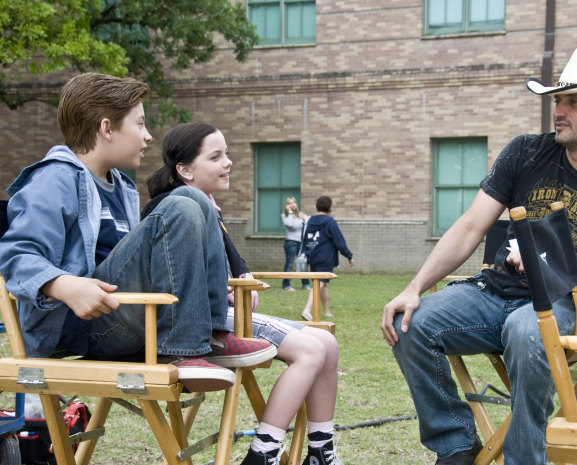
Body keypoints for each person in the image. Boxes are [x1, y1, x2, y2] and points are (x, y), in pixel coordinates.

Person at [380, 49, 577, 465]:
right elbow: (470, 226)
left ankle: (524, 459)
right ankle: (456, 445)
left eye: (574, 101)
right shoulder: (526, 152)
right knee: (410, 324)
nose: (559, 111)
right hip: (493, 290)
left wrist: (541, 259)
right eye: (557, 100)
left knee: (526, 332)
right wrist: (413, 288)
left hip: (567, 301)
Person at [0, 73, 276, 394]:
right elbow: (16, 256)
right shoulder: (56, 178)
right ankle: (182, 349)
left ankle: (211, 335)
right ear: (106, 129)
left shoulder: (122, 187)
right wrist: (64, 285)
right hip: (79, 325)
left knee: (194, 199)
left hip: (127, 314)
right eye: (140, 124)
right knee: (182, 202)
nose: (148, 136)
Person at [142, 122, 342, 465]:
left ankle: (321, 452)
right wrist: (227, 290)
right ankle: (262, 453)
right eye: (216, 156)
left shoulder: (206, 208)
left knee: (328, 344)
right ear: (185, 169)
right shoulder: (174, 209)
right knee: (311, 350)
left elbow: (227, 260)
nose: (229, 162)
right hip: (195, 326)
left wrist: (238, 281)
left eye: (227, 154)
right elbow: (174, 276)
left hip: (224, 314)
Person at [300, 196, 354, 321]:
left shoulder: (308, 221)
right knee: (320, 283)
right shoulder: (330, 222)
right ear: (329, 208)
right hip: (325, 258)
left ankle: (327, 311)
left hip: (312, 256)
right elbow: (339, 241)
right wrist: (349, 256)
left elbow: (304, 239)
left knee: (322, 284)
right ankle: (307, 310)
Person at [281, 196, 311, 291]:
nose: (292, 205)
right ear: (287, 206)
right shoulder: (285, 216)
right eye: (290, 203)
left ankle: (305, 284)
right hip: (290, 243)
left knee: (303, 263)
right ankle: (286, 285)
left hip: (301, 244)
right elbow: (290, 225)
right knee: (289, 264)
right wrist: (290, 212)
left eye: (294, 202)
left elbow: (307, 223)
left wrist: (304, 220)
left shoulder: (300, 214)